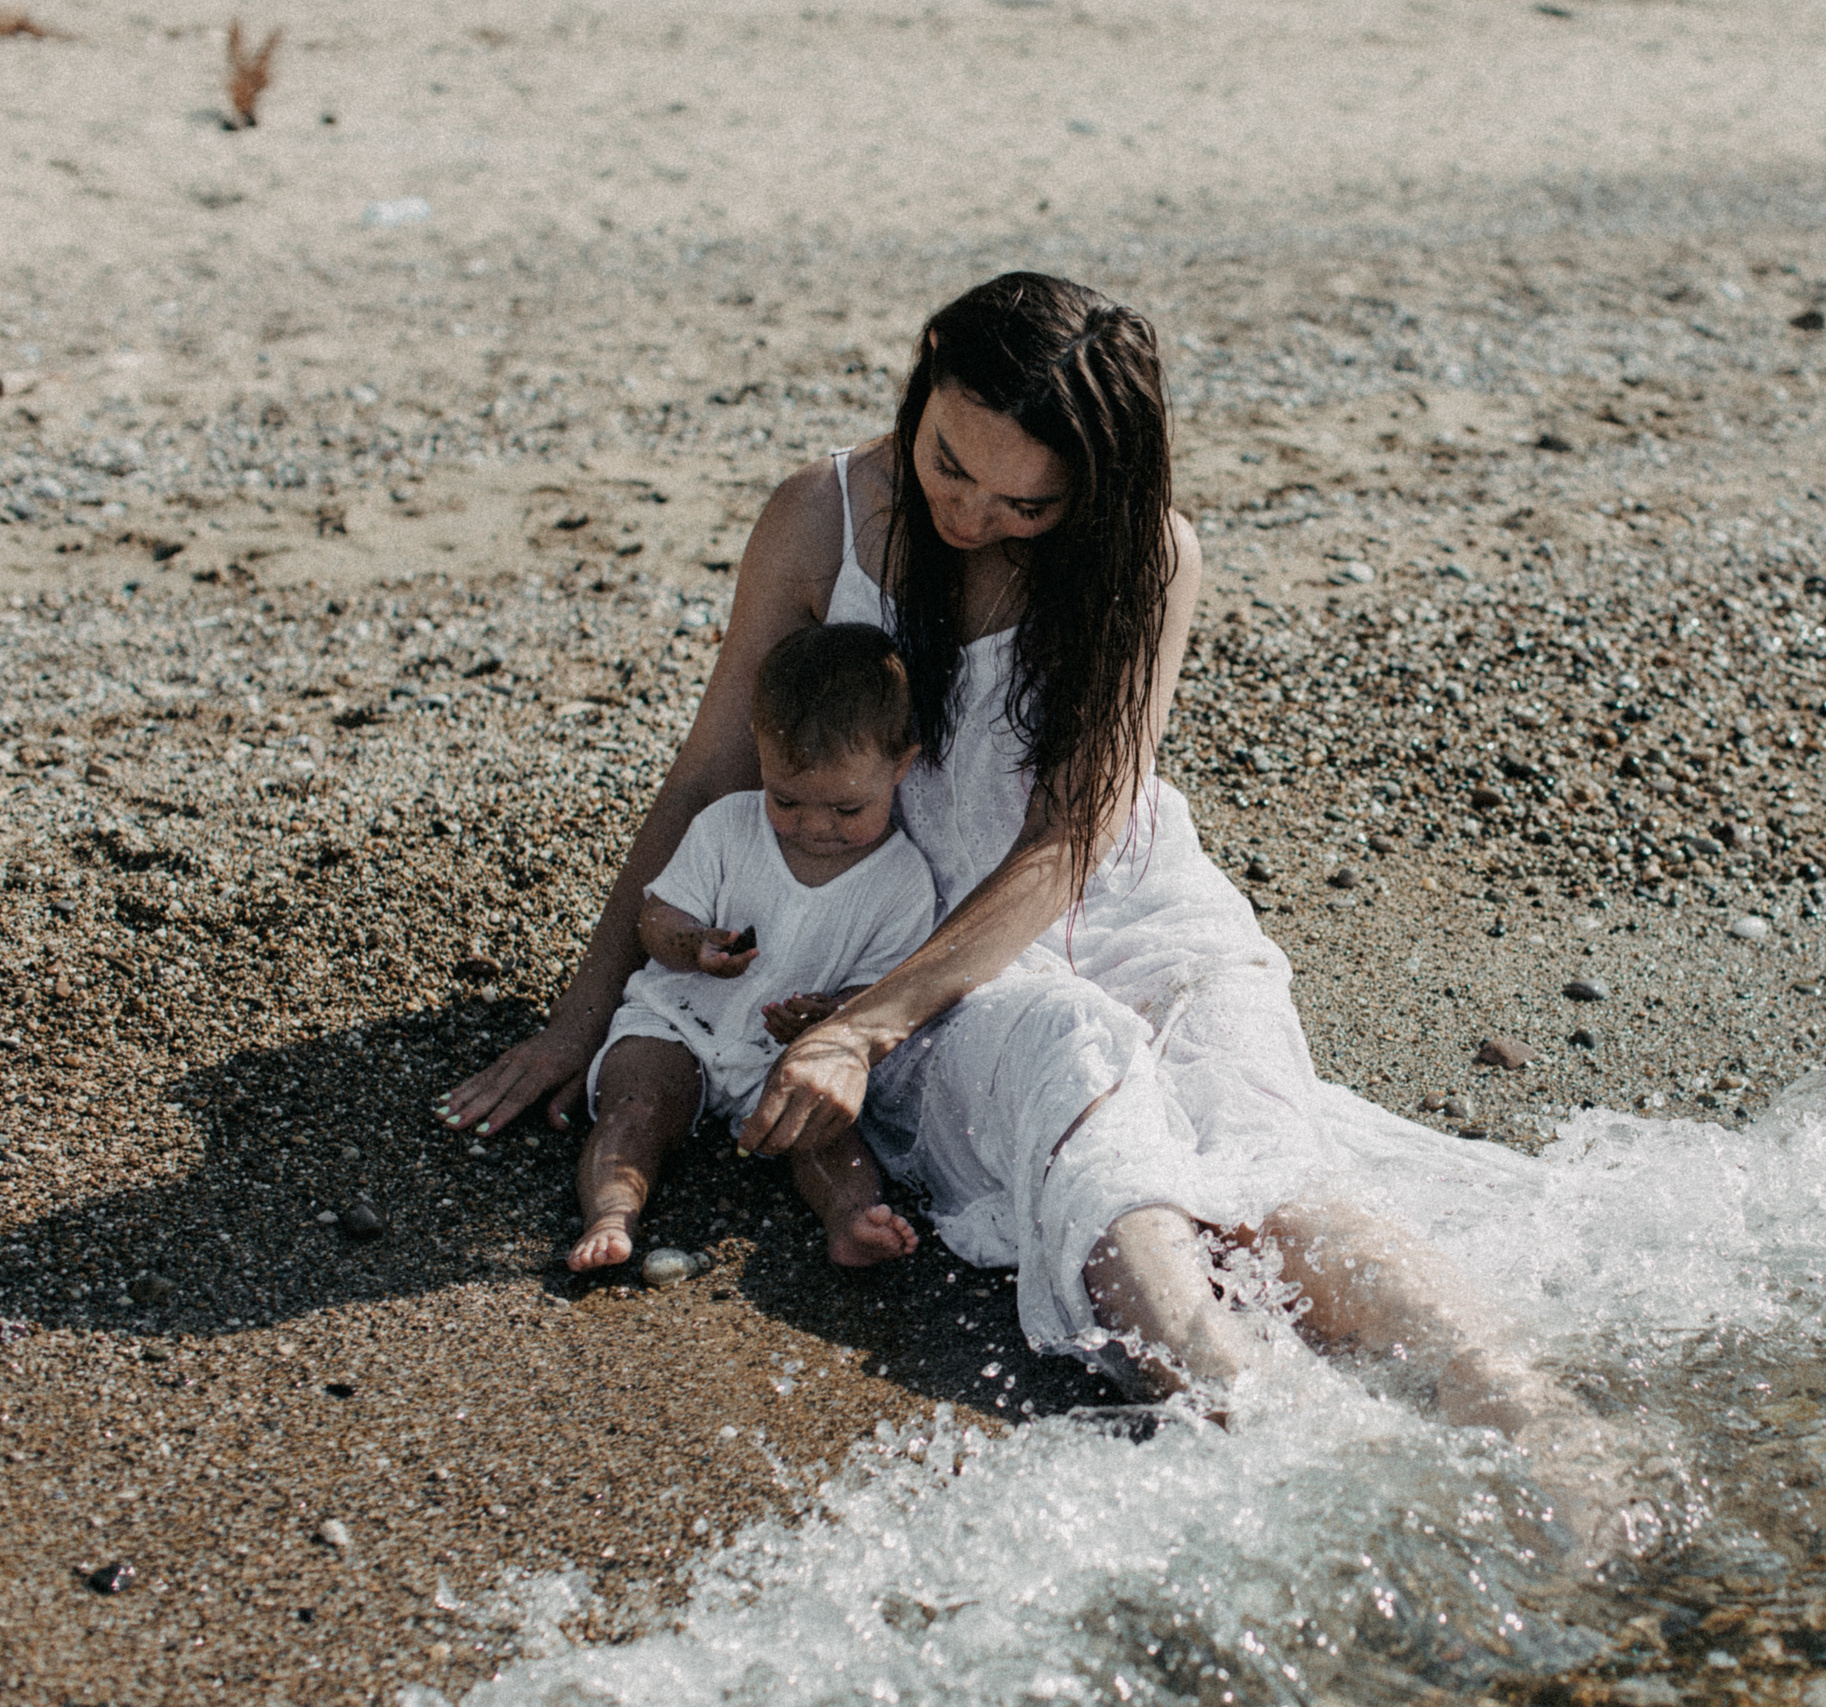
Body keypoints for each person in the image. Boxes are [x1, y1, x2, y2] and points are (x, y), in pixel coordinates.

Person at [441, 273, 1614, 1517]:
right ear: (926, 369)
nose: (971, 514)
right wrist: (588, 1013)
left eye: (1026, 503)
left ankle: (1538, 1421)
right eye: (950, 466)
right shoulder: (820, 519)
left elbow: (1070, 843)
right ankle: (1295, 1458)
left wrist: (859, 1030)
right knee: (1099, 1136)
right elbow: (715, 772)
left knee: (1273, 1179)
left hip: (1129, 921)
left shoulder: (1145, 558)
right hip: (929, 959)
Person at [565, 622, 937, 1274]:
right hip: (676, 1021)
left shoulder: (903, 880)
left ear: (901, 764)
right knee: (638, 1107)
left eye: (847, 808)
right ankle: (612, 1212)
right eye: (787, 799)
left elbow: (881, 990)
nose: (816, 826)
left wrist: (831, 1016)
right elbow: (655, 920)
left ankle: (851, 1217)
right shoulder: (727, 827)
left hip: (785, 1054)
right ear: (761, 755)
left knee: (828, 1130)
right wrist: (693, 944)